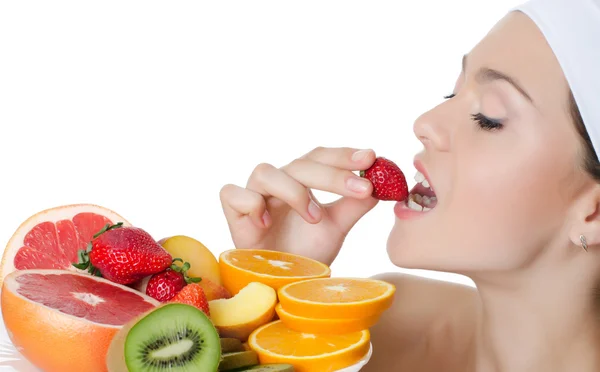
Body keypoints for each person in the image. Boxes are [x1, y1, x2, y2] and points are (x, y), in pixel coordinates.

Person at [219, 0, 600, 370]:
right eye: (452, 93)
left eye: (488, 117)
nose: (425, 122)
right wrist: (274, 292)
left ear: (594, 212)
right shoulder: (383, 326)